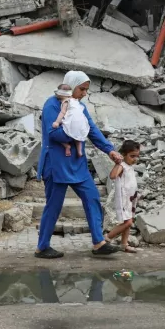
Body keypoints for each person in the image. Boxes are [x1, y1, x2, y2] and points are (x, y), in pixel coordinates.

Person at [35, 71, 123, 259]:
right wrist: (78, 132)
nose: (84, 93)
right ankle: (42, 247)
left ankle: (99, 242)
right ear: (71, 86)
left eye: (86, 90)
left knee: (92, 198)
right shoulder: (51, 104)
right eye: (82, 89)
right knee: (54, 206)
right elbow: (53, 134)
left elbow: (92, 129)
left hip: (77, 163)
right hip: (56, 163)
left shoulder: (79, 107)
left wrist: (110, 150)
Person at [103, 140, 141, 253]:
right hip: (123, 199)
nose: (135, 159)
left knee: (128, 223)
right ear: (124, 155)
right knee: (128, 222)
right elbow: (113, 175)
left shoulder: (129, 166)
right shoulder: (122, 166)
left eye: (137, 156)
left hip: (130, 198)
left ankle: (124, 244)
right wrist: (118, 163)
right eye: (132, 156)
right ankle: (107, 238)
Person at [51, 83, 87, 158]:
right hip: (82, 124)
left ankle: (66, 145)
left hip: (72, 124)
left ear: (61, 95)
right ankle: (79, 151)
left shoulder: (66, 101)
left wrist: (57, 122)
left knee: (53, 134)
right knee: (78, 137)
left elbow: (63, 112)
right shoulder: (75, 100)